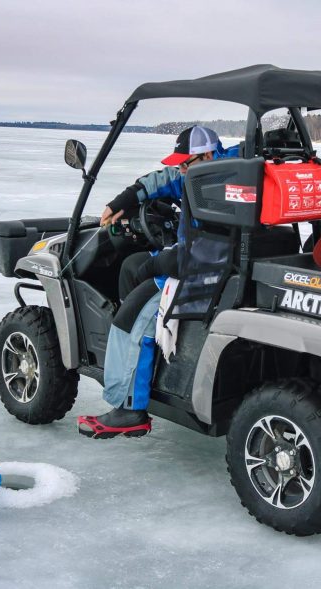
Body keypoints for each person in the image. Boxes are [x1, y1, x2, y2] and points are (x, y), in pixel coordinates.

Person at [77, 126, 237, 439]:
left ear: (205, 156)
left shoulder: (219, 192)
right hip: (213, 269)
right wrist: (125, 199)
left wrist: (156, 263)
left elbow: (203, 254)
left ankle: (129, 410)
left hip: (201, 278)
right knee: (137, 272)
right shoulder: (217, 172)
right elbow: (164, 180)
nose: (180, 170)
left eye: (185, 163)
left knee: (129, 320)